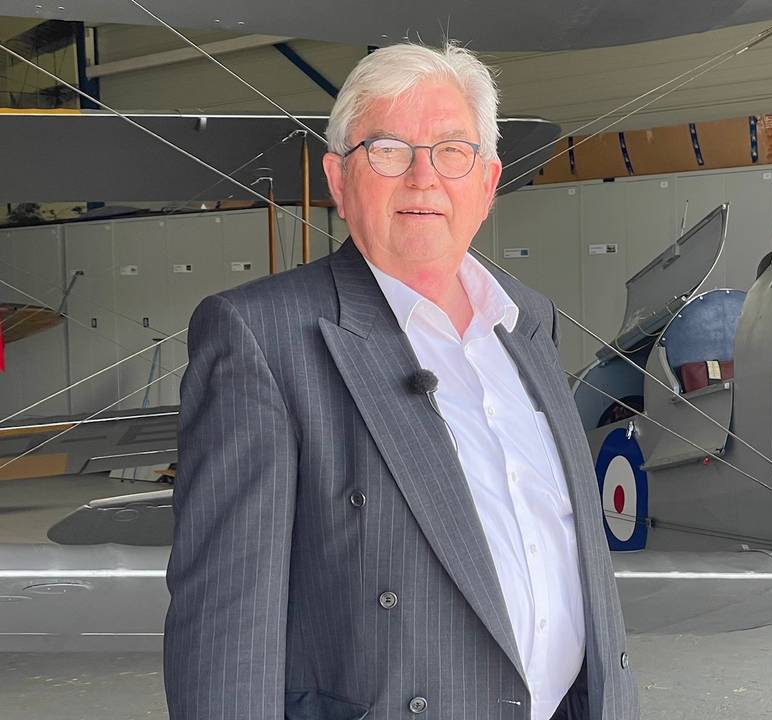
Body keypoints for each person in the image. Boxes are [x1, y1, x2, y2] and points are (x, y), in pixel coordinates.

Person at [164, 42, 638, 720]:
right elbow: (224, 630)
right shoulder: (260, 337)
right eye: (387, 148)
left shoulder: (529, 320)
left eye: (452, 150)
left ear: (488, 178)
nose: (423, 178)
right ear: (338, 178)